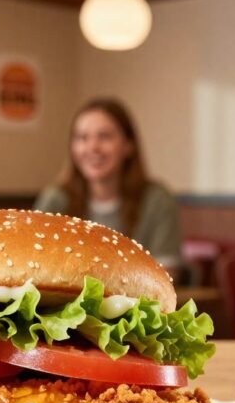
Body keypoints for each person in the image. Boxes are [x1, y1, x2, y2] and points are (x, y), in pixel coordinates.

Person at [34, 98, 183, 279]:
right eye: (82, 138)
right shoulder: (55, 200)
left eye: (104, 136)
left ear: (128, 145)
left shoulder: (157, 201)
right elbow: (38, 266)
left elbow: (166, 273)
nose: (93, 147)